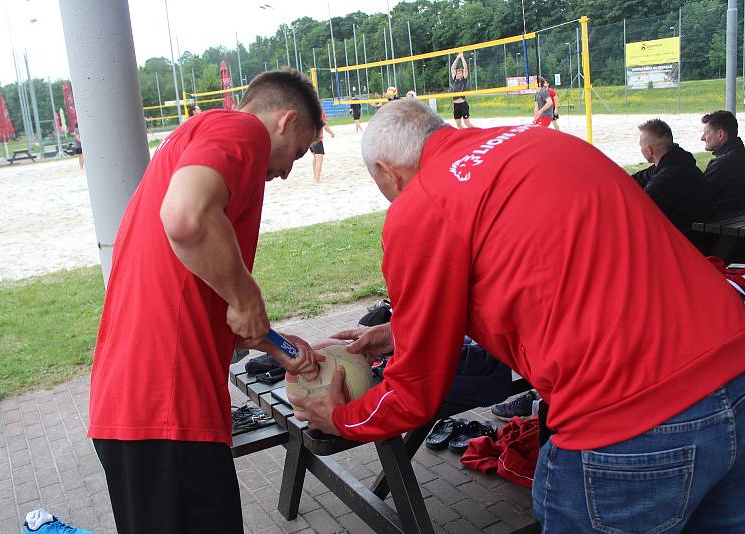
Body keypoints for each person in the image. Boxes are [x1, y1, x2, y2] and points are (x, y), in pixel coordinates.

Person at [291, 99, 745, 532]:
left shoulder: (421, 204)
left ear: (387, 172)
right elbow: (551, 271)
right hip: (734, 366)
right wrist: (398, 331)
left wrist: (343, 420)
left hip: (630, 417)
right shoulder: (537, 141)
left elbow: (415, 390)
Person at [87, 69, 323, 534]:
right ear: (285, 120)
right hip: (167, 411)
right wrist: (246, 294)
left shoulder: (195, 141)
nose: (288, 170)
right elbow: (185, 217)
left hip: (143, 410)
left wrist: (275, 344)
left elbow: (198, 293)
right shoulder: (241, 129)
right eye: (297, 151)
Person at [631, 118, 714, 250]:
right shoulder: (676, 163)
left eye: (640, 145)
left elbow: (639, 213)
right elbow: (634, 180)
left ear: (649, 150)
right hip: (694, 236)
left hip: (685, 245)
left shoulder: (667, 177)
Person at [702, 110, 745, 217]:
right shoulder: (739, 155)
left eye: (706, 133)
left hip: (722, 226)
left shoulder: (723, 164)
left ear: (720, 134)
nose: (702, 138)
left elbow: (697, 193)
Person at [310, 109, 335, 184]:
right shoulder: (320, 112)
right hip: (317, 139)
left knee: (315, 158)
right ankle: (316, 180)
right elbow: (325, 126)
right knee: (319, 161)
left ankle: (315, 177)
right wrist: (331, 133)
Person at [450, 52, 473, 128]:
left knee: (467, 123)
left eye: (460, 72)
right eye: (458, 72)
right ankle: (465, 135)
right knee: (458, 124)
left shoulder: (463, 80)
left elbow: (465, 68)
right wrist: (457, 58)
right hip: (456, 105)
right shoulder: (454, 80)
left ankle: (477, 133)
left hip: (463, 104)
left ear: (462, 74)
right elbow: (452, 68)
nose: (458, 73)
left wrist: (462, 58)